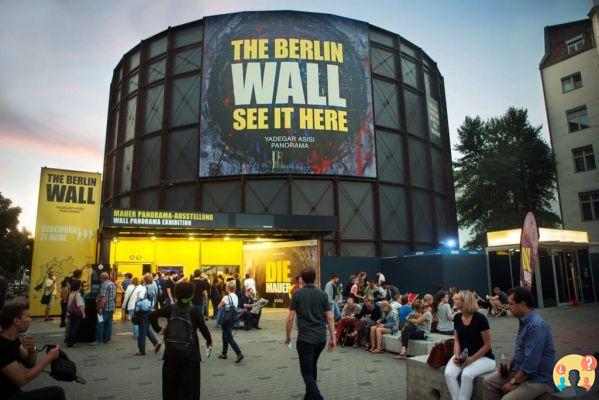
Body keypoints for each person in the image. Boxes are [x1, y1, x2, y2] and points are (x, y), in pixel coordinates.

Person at [483, 286, 556, 399]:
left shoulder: (536, 326)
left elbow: (530, 364)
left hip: (538, 378)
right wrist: (509, 365)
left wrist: (513, 382)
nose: (508, 307)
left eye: (511, 304)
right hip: (520, 371)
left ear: (522, 304)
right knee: (488, 382)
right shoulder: (524, 321)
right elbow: (520, 351)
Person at [149, 281, 212, 400]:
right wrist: (209, 341)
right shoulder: (194, 311)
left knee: (171, 386)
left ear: (176, 293)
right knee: (190, 386)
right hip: (191, 354)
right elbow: (204, 329)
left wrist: (159, 330)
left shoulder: (170, 308)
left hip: (171, 353)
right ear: (191, 295)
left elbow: (152, 315)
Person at [285, 266, 336, 400]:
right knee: (312, 365)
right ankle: (308, 396)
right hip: (320, 339)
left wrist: (288, 337)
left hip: (305, 340)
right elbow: (330, 317)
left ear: (302, 279)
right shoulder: (322, 294)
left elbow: (290, 318)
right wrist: (333, 337)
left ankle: (317, 397)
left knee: (306, 371)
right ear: (314, 278)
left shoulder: (297, 294)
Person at [0, 303, 65, 400]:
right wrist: (49, 358)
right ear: (17, 321)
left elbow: (30, 364)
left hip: (13, 392)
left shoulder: (14, 340)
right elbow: (21, 380)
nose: (30, 319)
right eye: (27, 316)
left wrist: (31, 348)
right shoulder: (2, 346)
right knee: (57, 392)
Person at [444, 290, 495, 400]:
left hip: (485, 357)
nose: (454, 300)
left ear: (464, 302)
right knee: (449, 374)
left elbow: (487, 345)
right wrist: (457, 354)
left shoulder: (480, 319)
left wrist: (472, 359)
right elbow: (457, 340)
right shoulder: (457, 318)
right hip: (464, 355)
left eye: (456, 299)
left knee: (466, 375)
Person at [133, 273, 160, 356]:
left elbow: (139, 299)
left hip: (144, 311)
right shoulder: (155, 285)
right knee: (146, 328)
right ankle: (155, 343)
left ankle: (141, 350)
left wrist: (136, 308)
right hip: (152, 309)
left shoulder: (144, 288)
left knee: (142, 331)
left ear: (144, 280)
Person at [217, 280, 244, 363]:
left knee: (229, 338)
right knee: (224, 336)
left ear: (227, 288)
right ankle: (224, 353)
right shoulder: (235, 296)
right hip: (232, 318)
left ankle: (239, 353)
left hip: (226, 319)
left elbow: (219, 307)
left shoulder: (226, 297)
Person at [94, 272, 116, 345]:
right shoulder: (112, 284)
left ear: (101, 278)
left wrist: (100, 307)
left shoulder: (104, 285)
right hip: (111, 307)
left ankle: (99, 340)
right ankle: (107, 339)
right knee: (109, 324)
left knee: (100, 323)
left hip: (104, 308)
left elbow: (104, 298)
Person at [66, 280, 86, 347]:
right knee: (74, 328)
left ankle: (69, 341)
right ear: (78, 287)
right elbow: (79, 305)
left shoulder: (71, 293)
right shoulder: (77, 294)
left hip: (71, 313)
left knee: (72, 328)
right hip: (76, 314)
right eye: (80, 285)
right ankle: (72, 342)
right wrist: (83, 313)